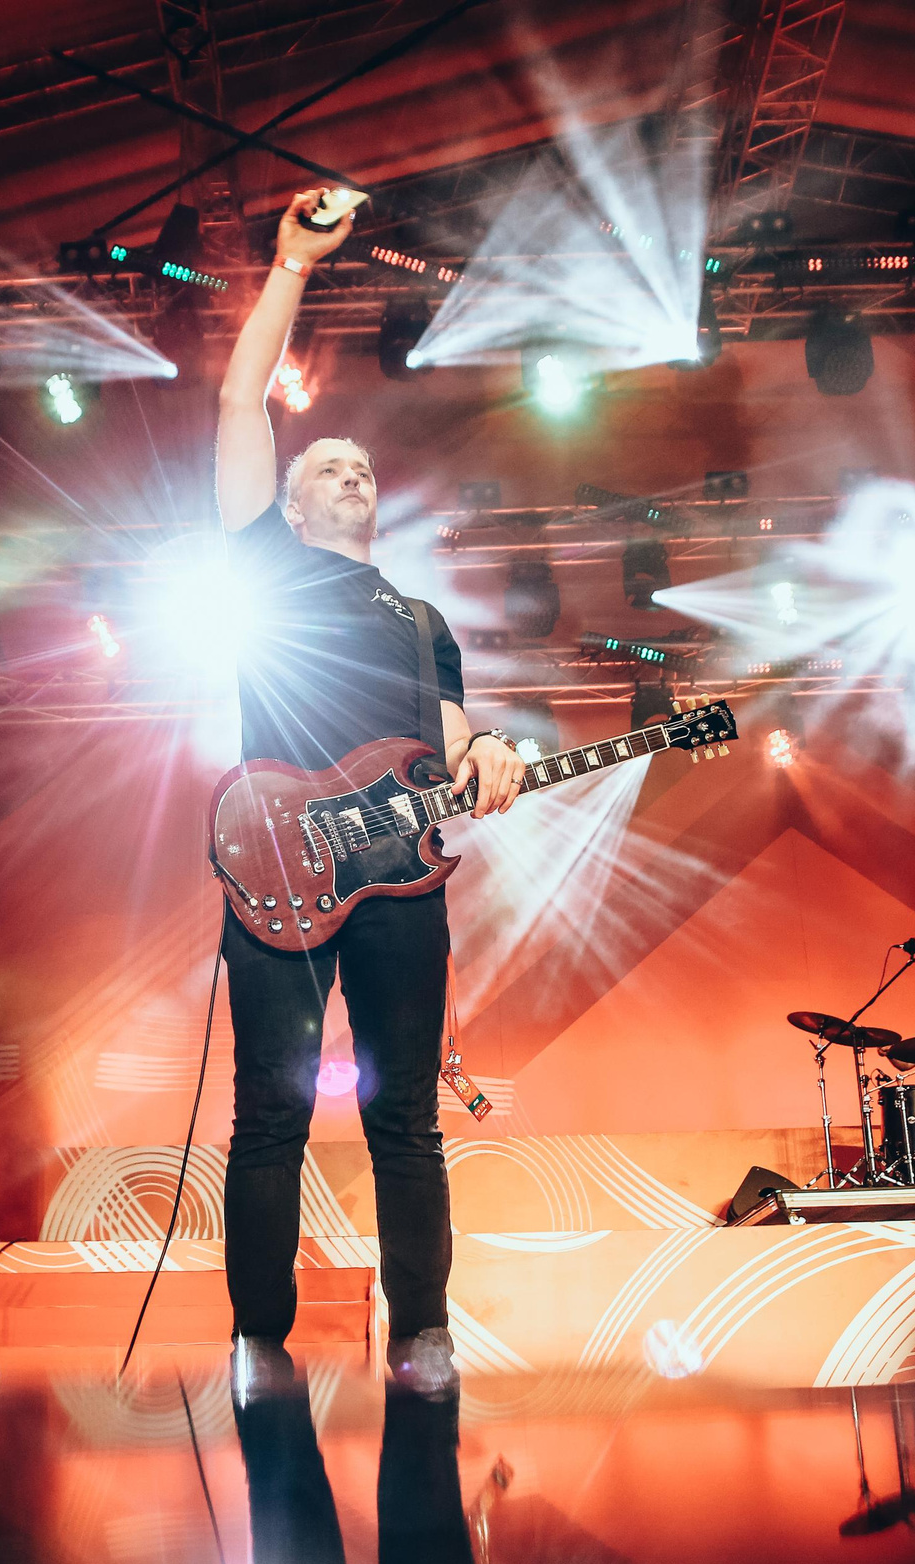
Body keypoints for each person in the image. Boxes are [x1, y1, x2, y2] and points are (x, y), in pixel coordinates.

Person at [215, 186, 527, 1392]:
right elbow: (241, 402)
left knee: (404, 1123)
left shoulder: (421, 621)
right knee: (270, 1121)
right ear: (291, 508)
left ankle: (423, 1337)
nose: (348, 467)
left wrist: (489, 758)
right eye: (325, 462)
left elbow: (445, 746)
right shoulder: (266, 571)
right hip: (280, 870)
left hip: (398, 879)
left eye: (360, 463)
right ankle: (259, 1343)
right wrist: (291, 265)